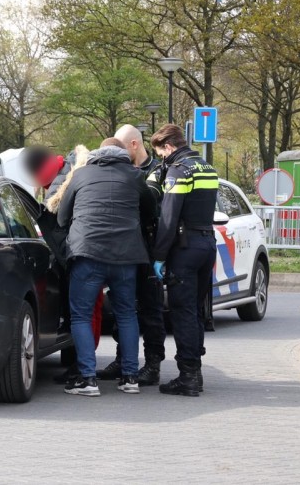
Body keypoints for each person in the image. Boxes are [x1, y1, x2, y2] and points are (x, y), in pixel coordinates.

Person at [57, 138, 155, 397]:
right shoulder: (136, 176)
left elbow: (61, 216)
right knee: (127, 314)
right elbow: (151, 212)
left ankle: (88, 379)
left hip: (87, 254)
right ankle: (131, 377)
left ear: (99, 152)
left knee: (81, 315)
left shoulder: (81, 175)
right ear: (125, 155)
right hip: (126, 256)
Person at [23, 145, 105, 384]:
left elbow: (61, 228)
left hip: (83, 256)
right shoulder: (72, 169)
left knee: (84, 313)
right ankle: (86, 365)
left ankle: (84, 370)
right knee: (93, 311)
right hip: (101, 252)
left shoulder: (58, 191)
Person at [150, 124, 219, 397]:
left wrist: (159, 256)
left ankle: (188, 376)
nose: (162, 160)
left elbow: (168, 217)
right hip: (207, 244)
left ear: (168, 147)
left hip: (185, 248)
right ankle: (196, 373)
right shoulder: (207, 167)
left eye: (161, 154)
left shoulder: (179, 171)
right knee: (198, 311)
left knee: (183, 312)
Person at [96, 124, 165, 387]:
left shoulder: (157, 172)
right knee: (122, 307)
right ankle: (123, 360)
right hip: (123, 250)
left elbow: (154, 209)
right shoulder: (121, 170)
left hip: (146, 249)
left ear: (134, 145)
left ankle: (153, 364)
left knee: (151, 308)